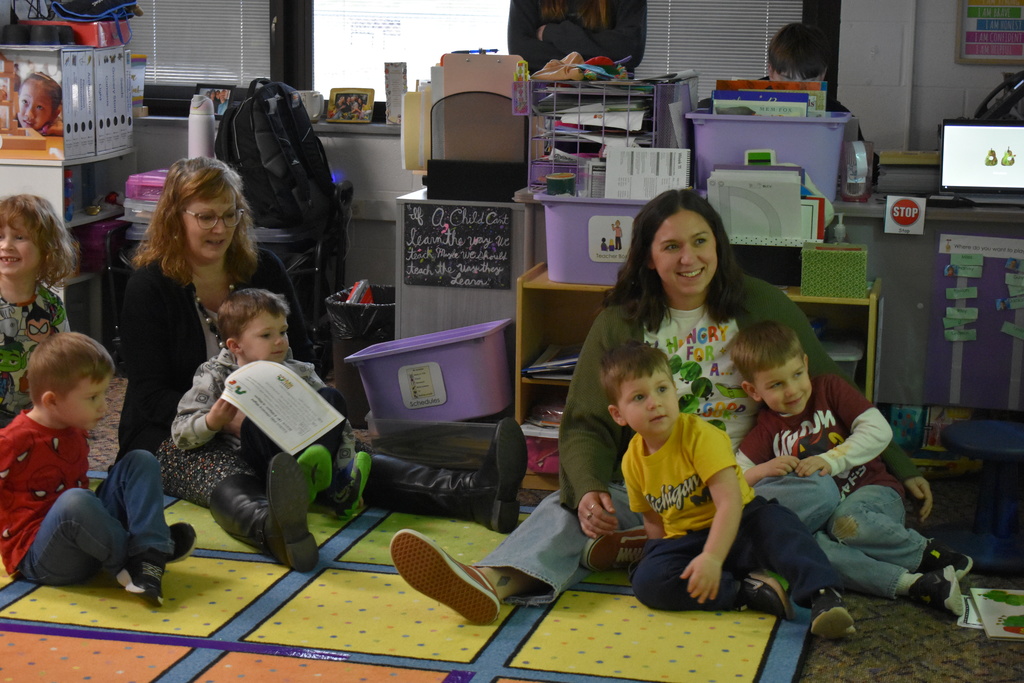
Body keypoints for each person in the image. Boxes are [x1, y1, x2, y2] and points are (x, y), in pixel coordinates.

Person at [388, 189, 932, 626]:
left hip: (749, 483)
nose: (689, 258)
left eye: (701, 242)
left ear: (719, 245)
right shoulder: (620, 324)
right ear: (648, 256)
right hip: (658, 490)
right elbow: (583, 425)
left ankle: (653, 549)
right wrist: (590, 491)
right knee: (567, 506)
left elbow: (831, 384)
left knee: (811, 490)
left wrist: (901, 466)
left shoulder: (761, 303)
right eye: (671, 246)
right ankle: (496, 581)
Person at [119, 157, 526, 561]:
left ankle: (475, 493)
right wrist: (225, 421)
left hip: (272, 415)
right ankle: (274, 528)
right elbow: (149, 395)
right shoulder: (150, 287)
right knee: (225, 473)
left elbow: (302, 351)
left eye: (231, 215)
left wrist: (287, 409)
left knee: (349, 460)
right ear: (175, 217)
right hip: (178, 428)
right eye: (206, 218)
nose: (221, 229)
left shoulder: (263, 269)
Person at [602, 341, 854, 638]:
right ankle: (744, 592)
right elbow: (653, 521)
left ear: (674, 390)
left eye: (662, 389)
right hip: (688, 539)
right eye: (639, 397)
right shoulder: (632, 459)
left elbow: (730, 503)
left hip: (742, 522)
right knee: (647, 581)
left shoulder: (700, 436)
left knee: (780, 525)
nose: (654, 402)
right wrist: (658, 557)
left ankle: (823, 596)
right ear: (618, 414)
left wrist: (712, 557)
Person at [731, 321, 972, 617]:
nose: (792, 390)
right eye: (776, 384)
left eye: (797, 375)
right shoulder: (767, 428)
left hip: (871, 492)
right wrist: (764, 469)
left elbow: (878, 430)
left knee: (845, 520)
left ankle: (929, 555)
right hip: (825, 521)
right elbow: (735, 478)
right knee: (814, 550)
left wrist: (832, 460)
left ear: (806, 364)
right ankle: (918, 585)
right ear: (753, 391)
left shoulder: (829, 388)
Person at [171, 288, 371, 570]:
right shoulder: (214, 374)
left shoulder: (298, 369)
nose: (279, 341)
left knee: (332, 398)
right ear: (236, 345)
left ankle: (336, 485)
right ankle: (301, 484)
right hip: (264, 462)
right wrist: (212, 422)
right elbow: (180, 433)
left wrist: (345, 463)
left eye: (283, 331)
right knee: (254, 421)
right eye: (266, 335)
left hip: (309, 449)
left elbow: (339, 427)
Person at [0, 333, 196, 606]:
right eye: (93, 397)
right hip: (42, 556)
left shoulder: (73, 426)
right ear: (52, 401)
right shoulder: (13, 439)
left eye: (104, 393)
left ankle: (150, 551)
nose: (105, 406)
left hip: (89, 537)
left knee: (140, 459)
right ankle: (133, 558)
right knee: (76, 501)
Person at [0, 194, 78, 424]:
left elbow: (64, 364)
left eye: (19, 237)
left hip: (35, 415)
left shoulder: (51, 306)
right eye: (0, 236)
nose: (6, 245)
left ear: (46, 249)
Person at [508, 0, 647, 73]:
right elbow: (521, 53)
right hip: (544, 104)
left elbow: (629, 51)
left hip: (611, 103)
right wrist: (601, 55)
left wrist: (551, 33)